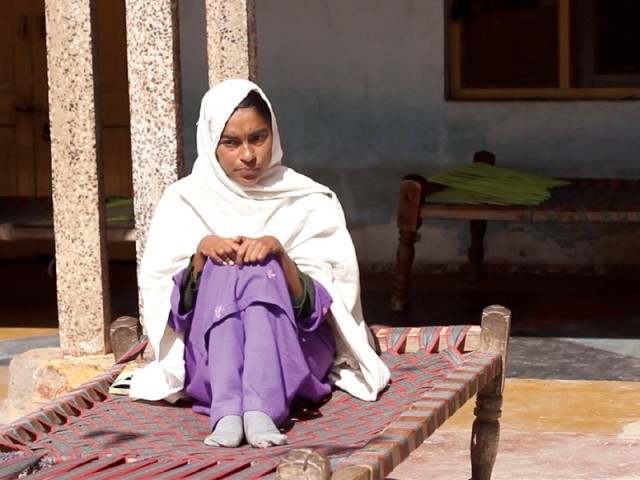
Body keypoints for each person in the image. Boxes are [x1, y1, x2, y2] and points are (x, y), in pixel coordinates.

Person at [128, 79, 390, 448]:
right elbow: (170, 312)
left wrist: (280, 257)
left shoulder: (307, 200)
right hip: (211, 361)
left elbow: (325, 306)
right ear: (210, 143)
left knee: (261, 268)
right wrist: (202, 256)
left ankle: (257, 407)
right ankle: (232, 408)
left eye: (258, 138)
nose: (248, 155)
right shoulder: (184, 201)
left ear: (274, 135)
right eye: (231, 142)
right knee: (224, 266)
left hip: (293, 354)